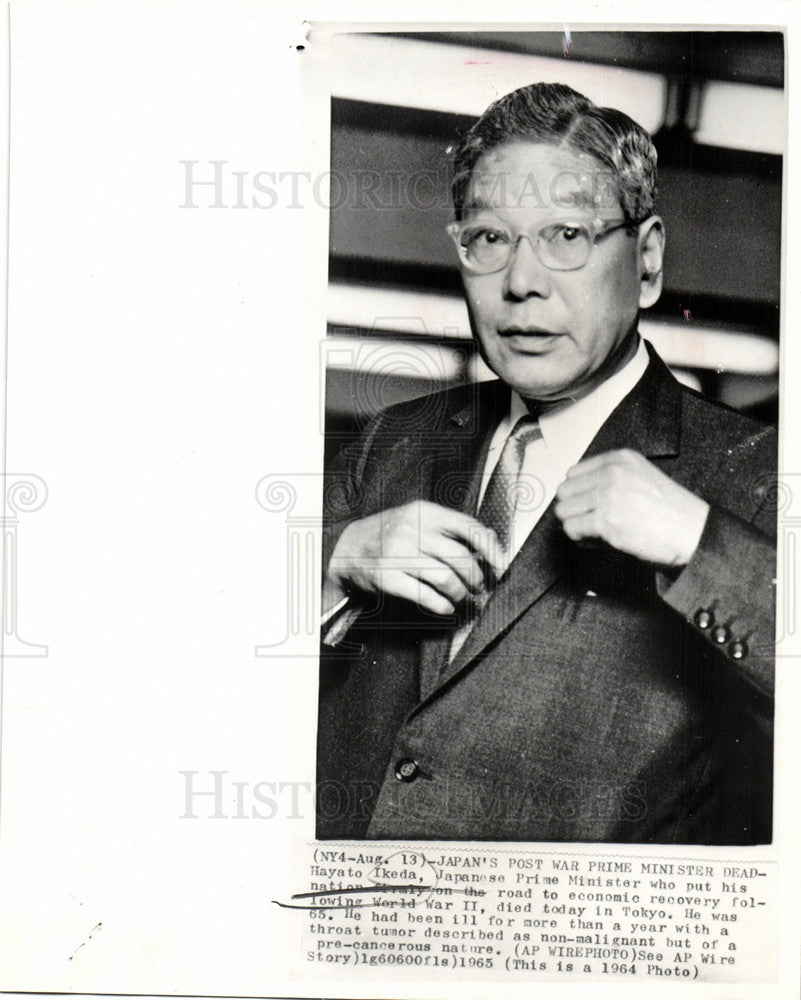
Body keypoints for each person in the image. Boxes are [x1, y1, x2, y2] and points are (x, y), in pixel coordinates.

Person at [316, 82, 776, 844]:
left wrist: (702, 548)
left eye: (566, 236)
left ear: (649, 259)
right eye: (489, 239)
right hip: (350, 932)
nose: (521, 283)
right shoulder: (391, 442)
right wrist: (330, 562)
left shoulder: (754, 471)